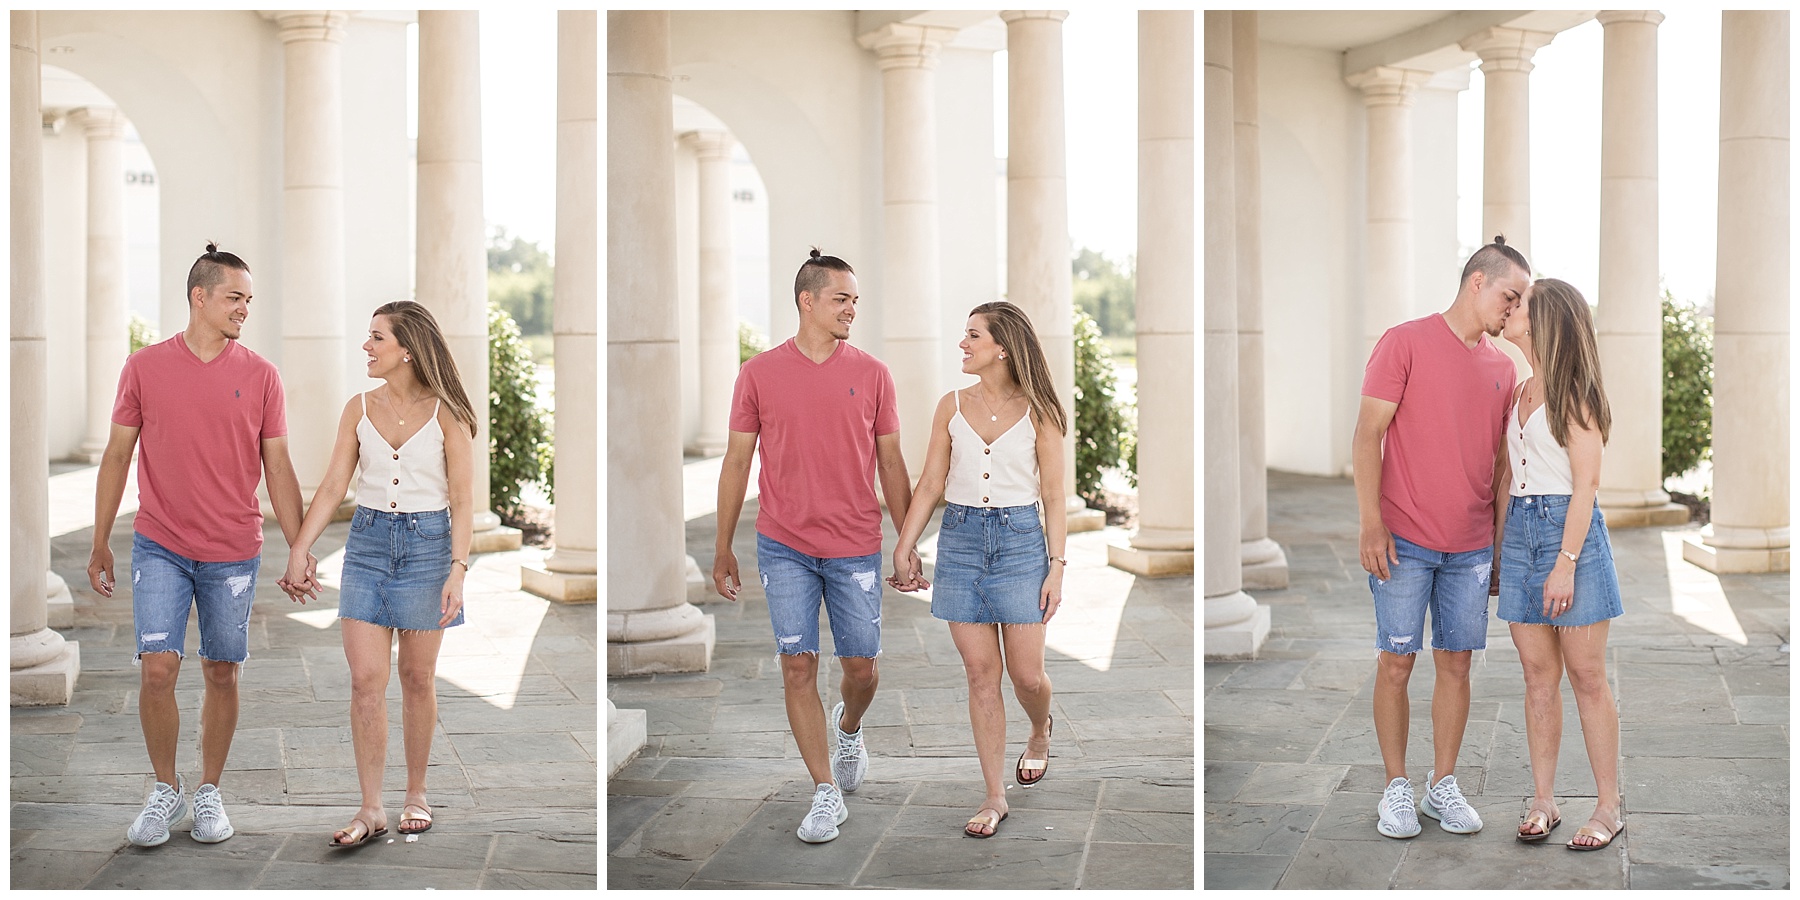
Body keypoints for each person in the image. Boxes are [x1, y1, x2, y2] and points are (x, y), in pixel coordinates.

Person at [87, 243, 313, 847]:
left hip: (232, 550)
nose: (244, 308)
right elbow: (116, 455)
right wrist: (100, 539)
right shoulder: (144, 367)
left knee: (221, 672)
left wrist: (298, 547)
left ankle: (209, 790)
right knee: (158, 669)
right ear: (200, 297)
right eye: (234, 297)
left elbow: (280, 468)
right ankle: (165, 789)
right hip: (159, 542)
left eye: (248, 300)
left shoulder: (262, 375)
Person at [713, 248, 914, 844]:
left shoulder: (874, 373)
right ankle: (825, 791)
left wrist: (905, 542)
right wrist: (723, 547)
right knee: (797, 666)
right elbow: (735, 461)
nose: (852, 308)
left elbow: (893, 462)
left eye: (855, 300)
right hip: (784, 546)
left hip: (854, 545)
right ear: (807, 301)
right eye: (841, 299)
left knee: (863, 669)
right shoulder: (758, 374)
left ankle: (848, 728)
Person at [280, 300, 477, 848]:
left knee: (417, 679)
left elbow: (463, 500)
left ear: (407, 350)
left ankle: (416, 792)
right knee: (366, 681)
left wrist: (457, 571)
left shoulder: (447, 414)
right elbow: (332, 486)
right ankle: (371, 806)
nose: (366, 346)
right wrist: (300, 547)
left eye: (376, 338)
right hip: (367, 547)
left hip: (428, 548)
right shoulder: (357, 409)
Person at [1353, 235, 1529, 839]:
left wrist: (1501, 548)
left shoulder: (1504, 369)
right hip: (1402, 539)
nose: (1513, 309)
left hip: (1472, 546)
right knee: (1396, 662)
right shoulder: (1404, 342)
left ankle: (1441, 786)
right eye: (1510, 295)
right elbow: (1366, 435)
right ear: (1477, 281)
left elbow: (1503, 470)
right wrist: (1371, 523)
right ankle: (1396, 788)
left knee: (1456, 664)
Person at [890, 301, 1067, 839]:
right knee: (980, 674)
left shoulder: (1040, 412)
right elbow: (930, 485)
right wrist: (905, 544)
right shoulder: (951, 406)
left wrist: (1056, 566)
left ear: (1003, 348)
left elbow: (1056, 496)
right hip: (962, 543)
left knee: (1027, 675)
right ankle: (995, 796)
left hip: (1020, 545)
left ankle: (1040, 729)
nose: (962, 345)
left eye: (973, 336)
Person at [1495, 278, 1626, 851]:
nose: (1510, 307)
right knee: (1537, 678)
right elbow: (1507, 479)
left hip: (1569, 538)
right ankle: (1544, 801)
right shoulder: (1519, 389)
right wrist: (1502, 554)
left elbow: (1586, 486)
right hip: (1522, 534)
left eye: (1519, 302)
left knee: (1587, 677)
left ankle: (1608, 806)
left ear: (1544, 320)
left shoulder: (1574, 394)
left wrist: (1566, 563)